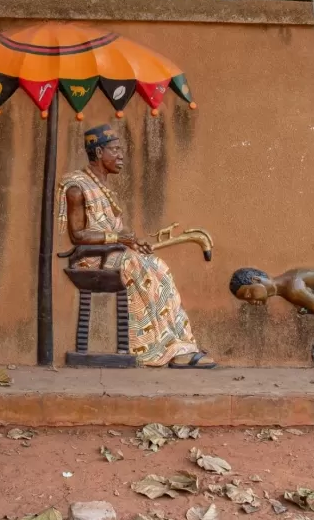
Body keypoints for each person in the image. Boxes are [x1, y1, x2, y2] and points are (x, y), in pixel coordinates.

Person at [59, 123, 214, 368]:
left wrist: (132, 241)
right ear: (99, 153)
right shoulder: (78, 188)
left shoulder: (101, 186)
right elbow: (78, 235)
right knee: (142, 269)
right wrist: (119, 239)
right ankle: (155, 348)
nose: (121, 156)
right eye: (115, 150)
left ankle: (180, 343)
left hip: (112, 254)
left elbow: (110, 231)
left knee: (158, 267)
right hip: (89, 258)